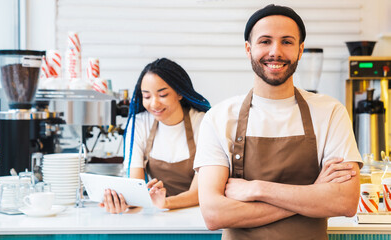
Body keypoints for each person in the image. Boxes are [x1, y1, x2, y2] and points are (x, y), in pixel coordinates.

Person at [194, 4, 362, 240]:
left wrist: (257, 189)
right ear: (248, 49)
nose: (276, 52)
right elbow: (214, 214)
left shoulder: (331, 112)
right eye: (265, 41)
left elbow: (345, 201)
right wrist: (313, 194)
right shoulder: (219, 118)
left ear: (300, 49)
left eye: (287, 41)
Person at [99, 58, 211, 214]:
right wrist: (122, 201)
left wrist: (165, 202)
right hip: (160, 213)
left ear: (180, 93)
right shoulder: (139, 123)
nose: (154, 104)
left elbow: (200, 192)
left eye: (163, 95)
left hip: (199, 212)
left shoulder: (204, 123)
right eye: (146, 96)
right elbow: (136, 186)